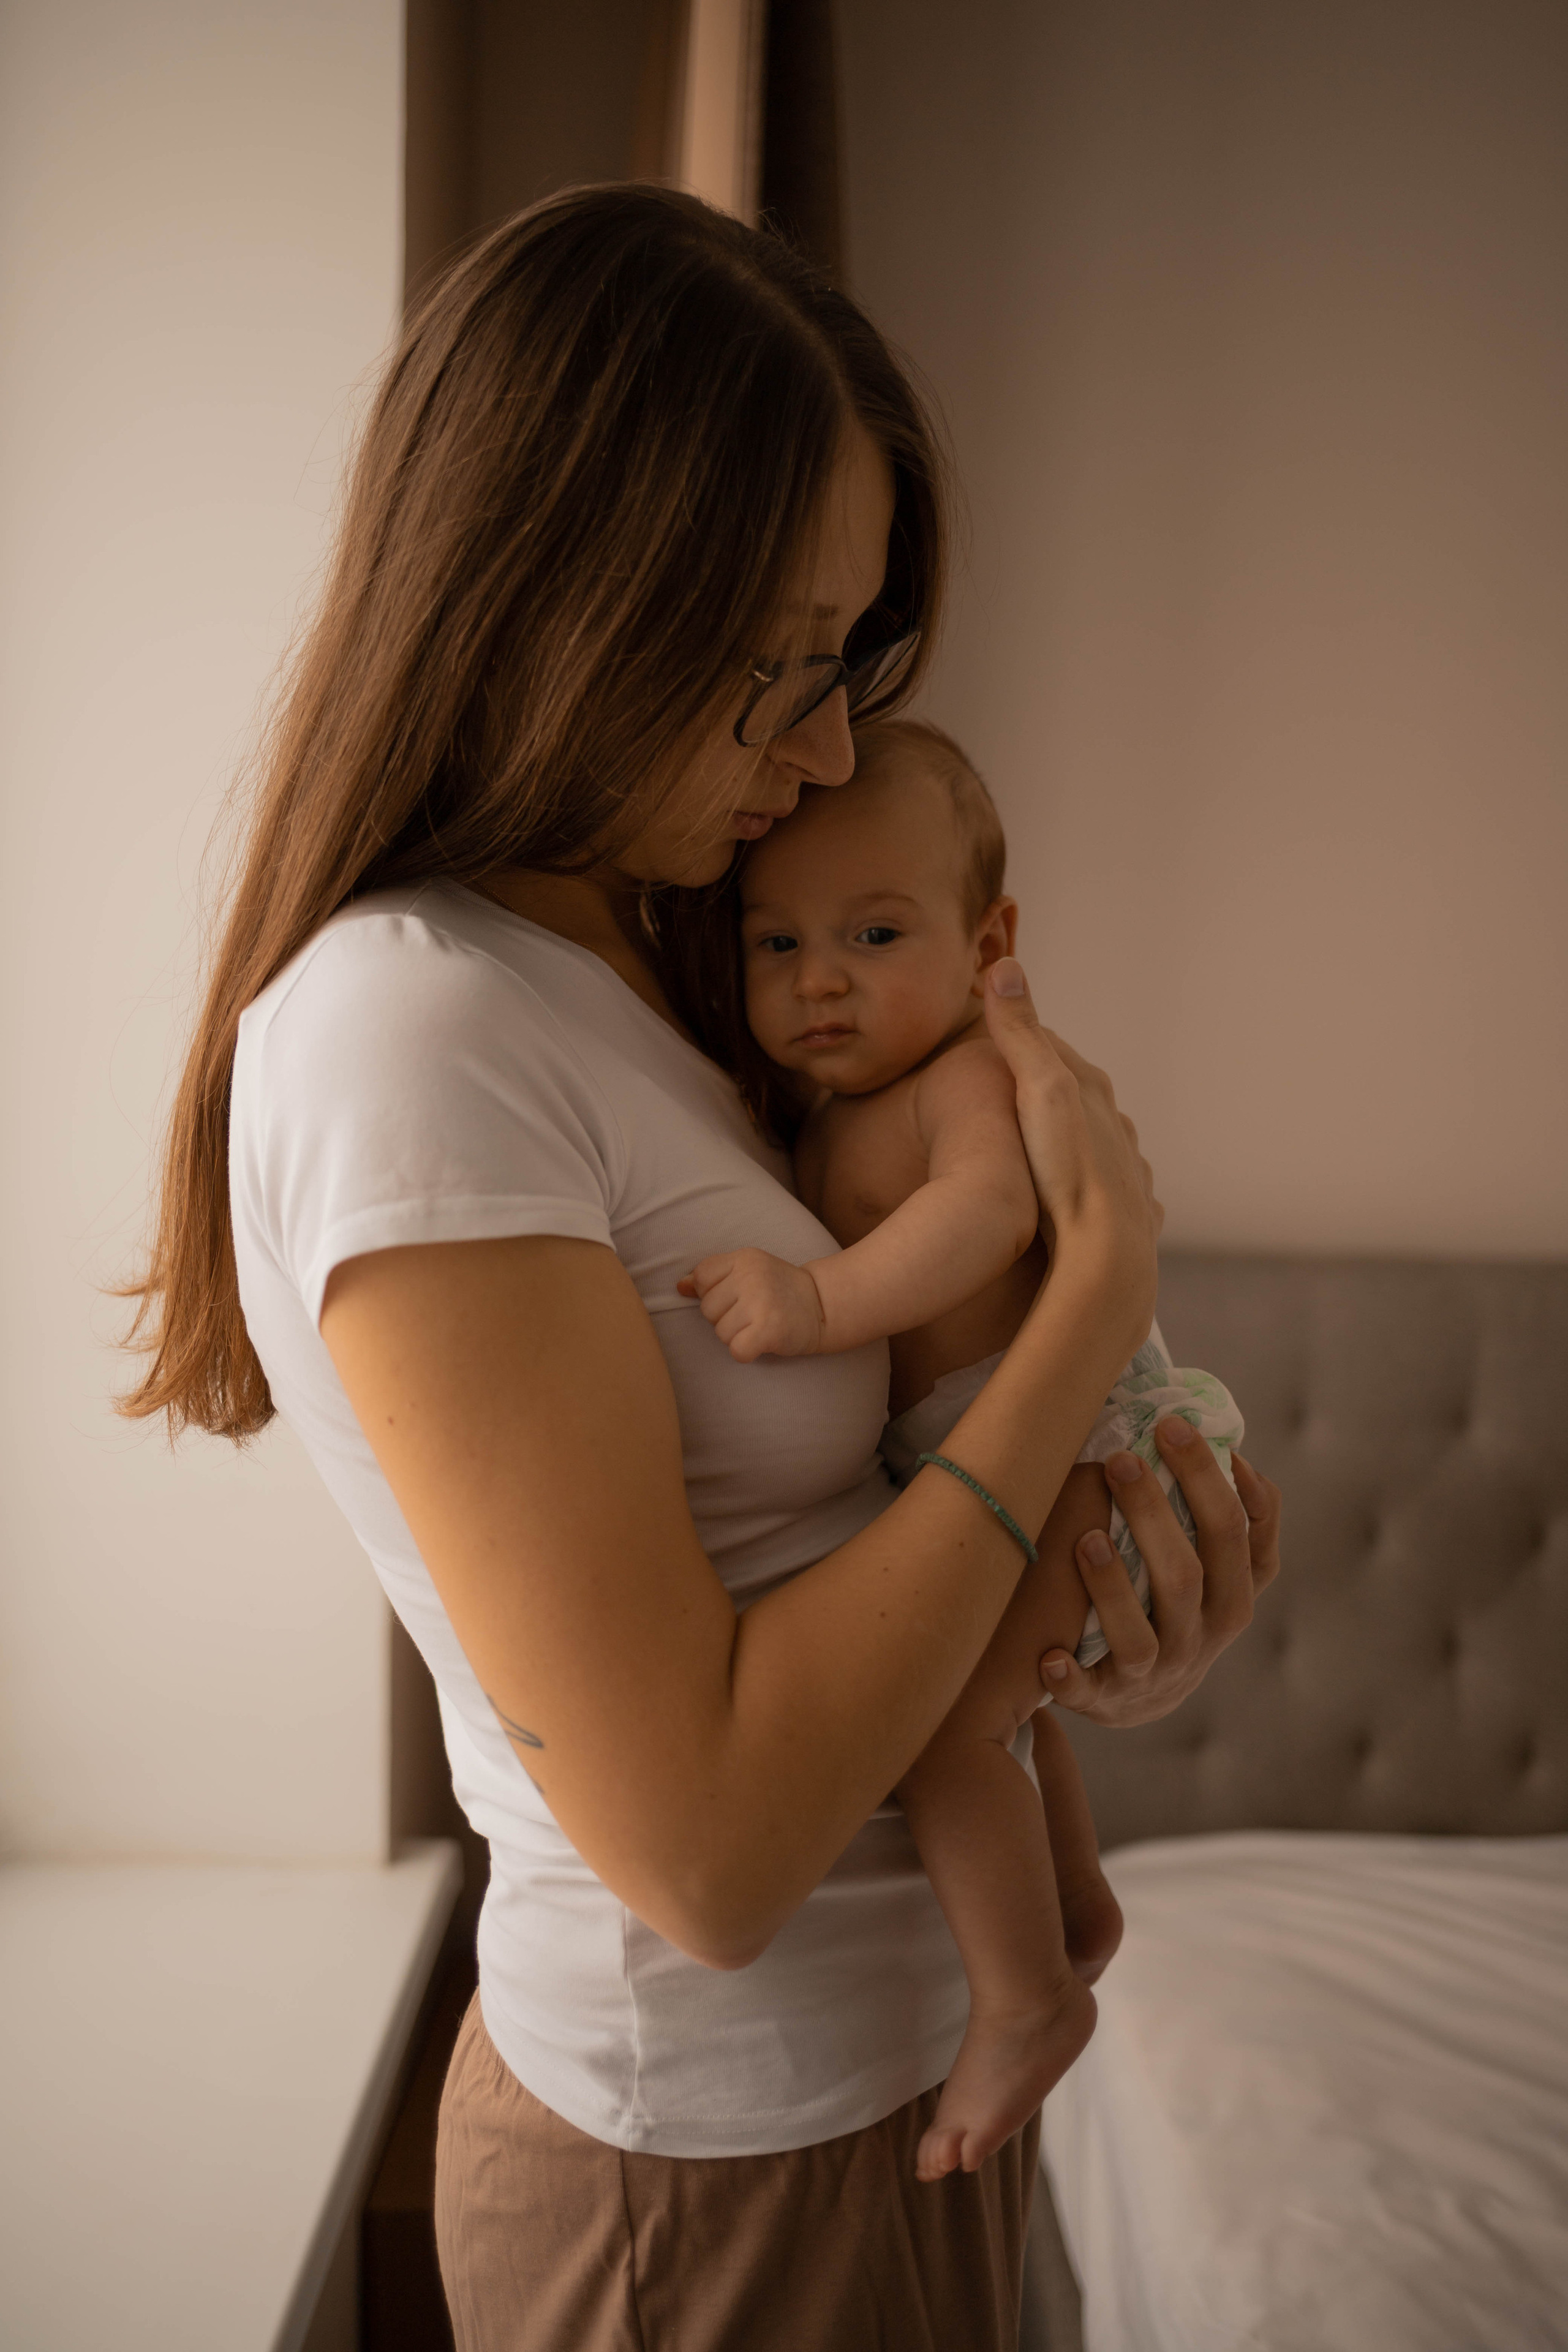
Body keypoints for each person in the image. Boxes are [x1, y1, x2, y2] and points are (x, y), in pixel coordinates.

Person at [121, 186, 1281, 2352]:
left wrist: (1095, 1639)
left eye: (847, 666)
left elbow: (840, 1553)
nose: (828, 753)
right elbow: (716, 1853)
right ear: (561, 596)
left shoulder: (659, 973)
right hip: (705, 2167)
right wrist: (1094, 1306)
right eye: (777, 663)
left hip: (892, 2089)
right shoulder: (410, 1028)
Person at [680, 717, 1246, 2184]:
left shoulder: (970, 1079)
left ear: (987, 935)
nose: (818, 979)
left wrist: (815, 1302)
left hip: (1081, 1457)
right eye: (776, 941)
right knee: (995, 1709)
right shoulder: (831, 1106)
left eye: (873, 932)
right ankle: (1075, 1912)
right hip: (1013, 1460)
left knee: (941, 1732)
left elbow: (986, 1219)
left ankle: (1024, 1997)